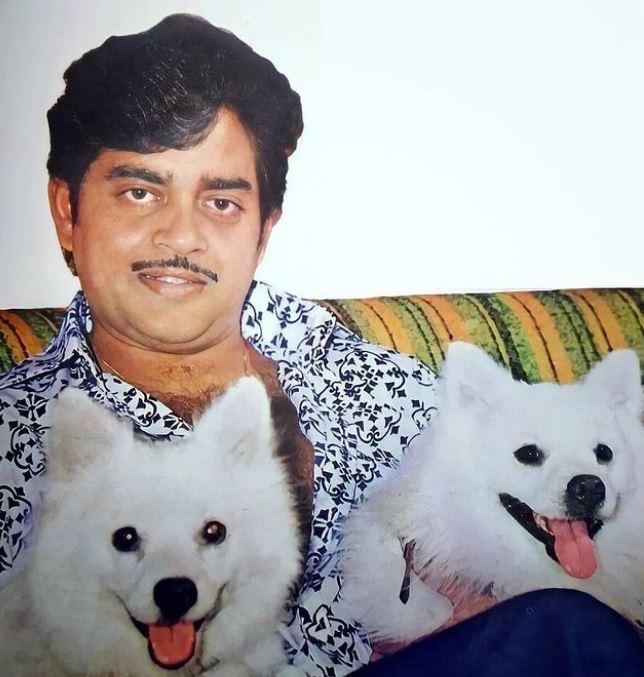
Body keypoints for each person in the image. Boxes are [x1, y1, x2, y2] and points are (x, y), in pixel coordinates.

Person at [0, 13, 643, 677]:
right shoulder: (20, 432)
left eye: (221, 202)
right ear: (68, 212)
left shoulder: (367, 379)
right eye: (140, 192)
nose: (181, 236)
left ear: (263, 228)